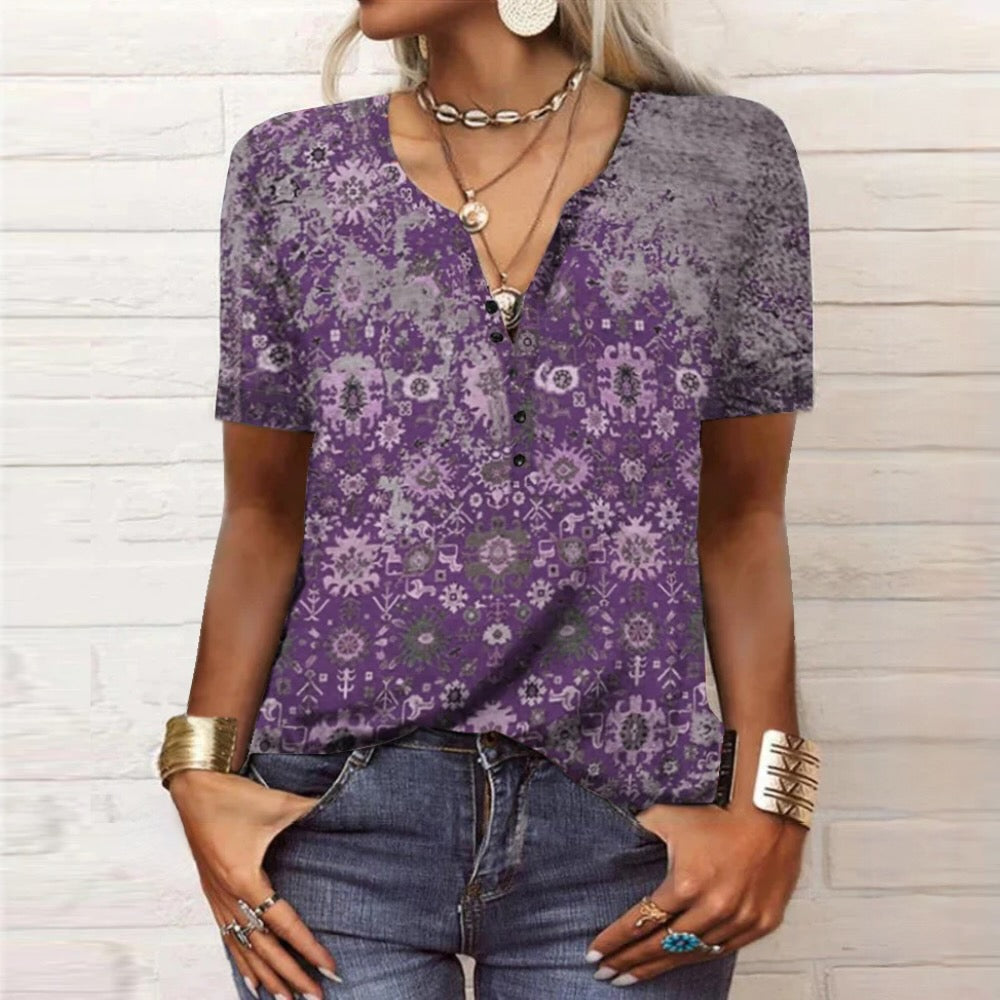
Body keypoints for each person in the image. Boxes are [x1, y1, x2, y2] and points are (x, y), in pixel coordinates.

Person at [158, 1, 822, 997]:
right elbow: (262, 514)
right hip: (333, 828)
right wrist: (198, 776)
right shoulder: (290, 172)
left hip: (625, 830)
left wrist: (772, 807)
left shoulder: (725, 163)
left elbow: (741, 520)